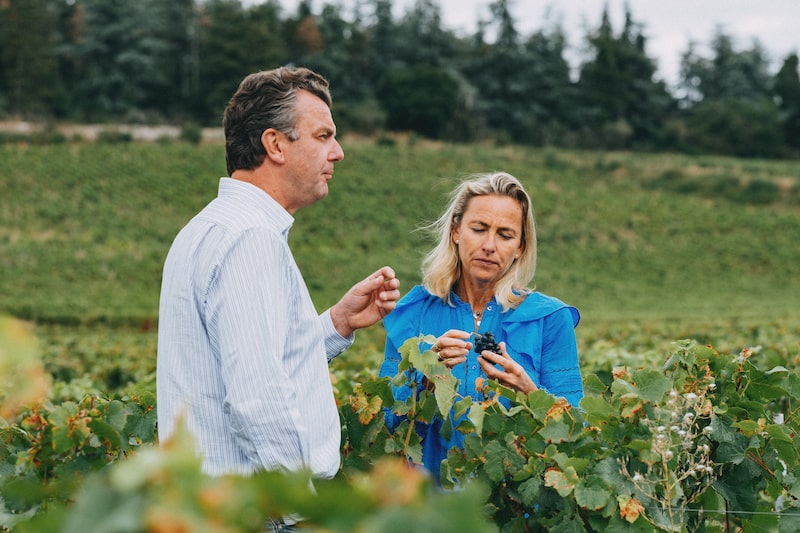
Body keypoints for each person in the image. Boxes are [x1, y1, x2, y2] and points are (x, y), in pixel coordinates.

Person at [157, 66, 401, 486]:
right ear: (275, 144)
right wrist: (296, 507)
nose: (338, 152)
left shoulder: (207, 228)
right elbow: (257, 396)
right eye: (323, 136)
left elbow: (252, 358)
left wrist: (335, 324)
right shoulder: (251, 239)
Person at [379, 171, 583, 482]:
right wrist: (426, 377)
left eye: (505, 235)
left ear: (520, 247)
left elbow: (576, 431)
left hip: (515, 510)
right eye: (479, 229)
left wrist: (529, 393)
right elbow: (384, 426)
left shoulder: (549, 318)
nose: (489, 245)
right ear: (456, 231)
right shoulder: (414, 313)